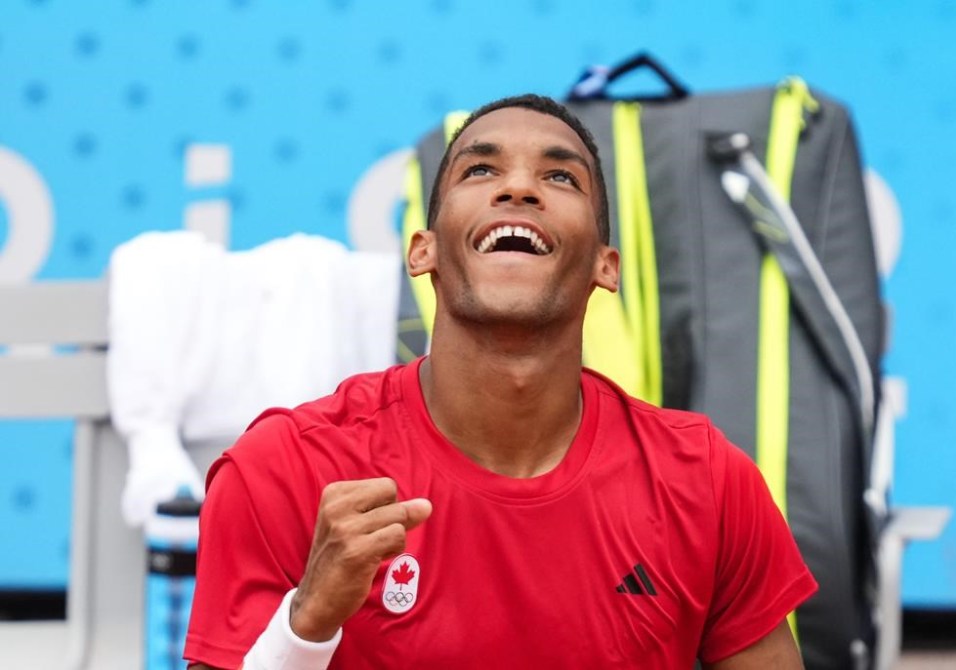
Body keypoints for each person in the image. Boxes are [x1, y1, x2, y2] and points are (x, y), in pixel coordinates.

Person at [184, 94, 817, 670]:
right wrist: (306, 626)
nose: (518, 187)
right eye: (480, 170)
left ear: (606, 266)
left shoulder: (706, 479)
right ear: (422, 251)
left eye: (560, 176)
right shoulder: (286, 467)